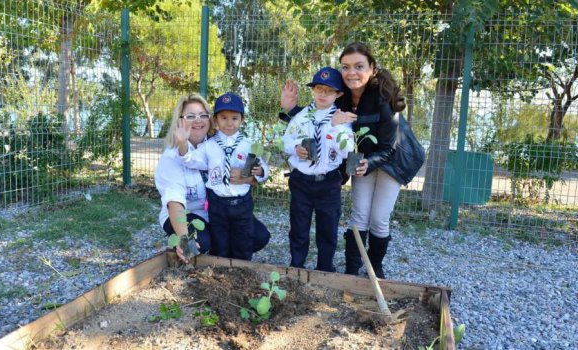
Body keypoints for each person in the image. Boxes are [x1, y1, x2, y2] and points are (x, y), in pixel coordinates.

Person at [280, 42, 406, 278]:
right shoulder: (343, 96)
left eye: (359, 66)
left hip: (391, 160)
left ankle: (375, 268)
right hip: (358, 161)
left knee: (379, 218)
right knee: (359, 214)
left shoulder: (384, 97)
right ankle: (351, 269)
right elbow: (313, 117)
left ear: (373, 68)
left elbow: (389, 147)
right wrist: (289, 110)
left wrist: (360, 154)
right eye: (346, 67)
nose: (351, 72)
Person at [154, 93, 270, 263]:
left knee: (258, 236)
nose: (198, 120)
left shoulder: (224, 143)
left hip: (217, 208)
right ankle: (194, 252)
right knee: (200, 243)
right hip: (188, 212)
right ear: (180, 121)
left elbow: (255, 171)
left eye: (202, 115)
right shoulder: (173, 156)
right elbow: (175, 203)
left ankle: (231, 260)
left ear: (210, 119)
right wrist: (185, 241)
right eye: (190, 116)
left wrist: (247, 178)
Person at [282, 67, 354, 272]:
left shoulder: (342, 118)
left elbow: (347, 150)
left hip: (328, 182)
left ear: (338, 94)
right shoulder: (302, 116)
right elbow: (286, 140)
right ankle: (297, 264)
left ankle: (325, 267)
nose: (323, 94)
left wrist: (334, 127)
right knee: (299, 225)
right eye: (319, 89)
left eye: (329, 91)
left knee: (328, 227)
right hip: (301, 180)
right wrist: (295, 148)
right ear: (312, 90)